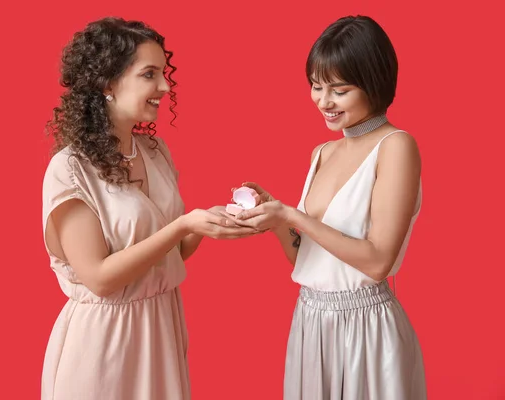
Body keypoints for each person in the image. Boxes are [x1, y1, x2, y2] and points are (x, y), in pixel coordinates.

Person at [40, 17, 255, 400]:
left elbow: (173, 254)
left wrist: (208, 223)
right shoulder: (70, 170)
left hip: (161, 328)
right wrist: (183, 225)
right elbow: (100, 279)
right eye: (149, 74)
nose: (164, 86)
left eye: (163, 73)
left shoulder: (154, 153)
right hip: (105, 344)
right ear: (108, 83)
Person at [230, 15, 427, 399]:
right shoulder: (322, 152)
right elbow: (308, 260)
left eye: (339, 89)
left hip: (367, 329)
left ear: (373, 82)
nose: (324, 102)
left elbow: (376, 261)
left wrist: (292, 215)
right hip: (310, 321)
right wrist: (275, 219)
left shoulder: (396, 147)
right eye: (316, 87)